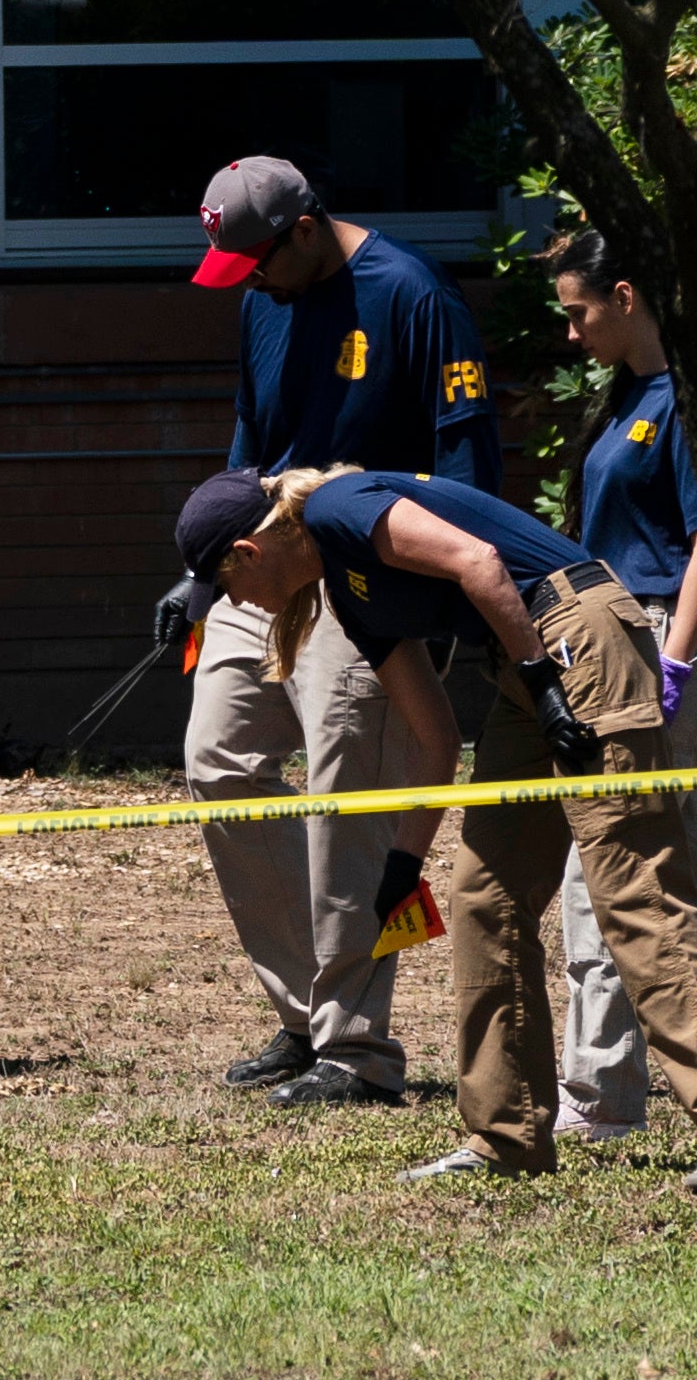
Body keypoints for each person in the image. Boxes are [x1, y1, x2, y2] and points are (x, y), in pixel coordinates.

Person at [170, 458, 697, 1194]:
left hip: (578, 633)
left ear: (246, 554)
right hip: (529, 658)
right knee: (484, 896)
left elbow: (477, 561)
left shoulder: (341, 507)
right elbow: (435, 735)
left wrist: (546, 686)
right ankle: (506, 1135)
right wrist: (404, 864)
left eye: (225, 587)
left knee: (631, 885)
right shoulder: (348, 595)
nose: (235, 602)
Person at [186, 156, 498, 1112]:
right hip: (266, 562)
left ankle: (358, 1050)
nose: (251, 284)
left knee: (348, 801)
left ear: (307, 229)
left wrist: (444, 602)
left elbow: (465, 459)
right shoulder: (262, 296)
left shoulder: (412, 293)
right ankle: (306, 1009)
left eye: (259, 262)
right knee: (218, 761)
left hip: (366, 568)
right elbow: (251, 433)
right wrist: (207, 572)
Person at [543, 235, 697, 1153]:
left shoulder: (688, 400)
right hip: (611, 636)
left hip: (658, 633)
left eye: (580, 311)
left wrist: (678, 655)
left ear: (625, 296)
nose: (573, 331)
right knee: (687, 860)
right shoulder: (624, 397)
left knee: (606, 854)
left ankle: (600, 1092)